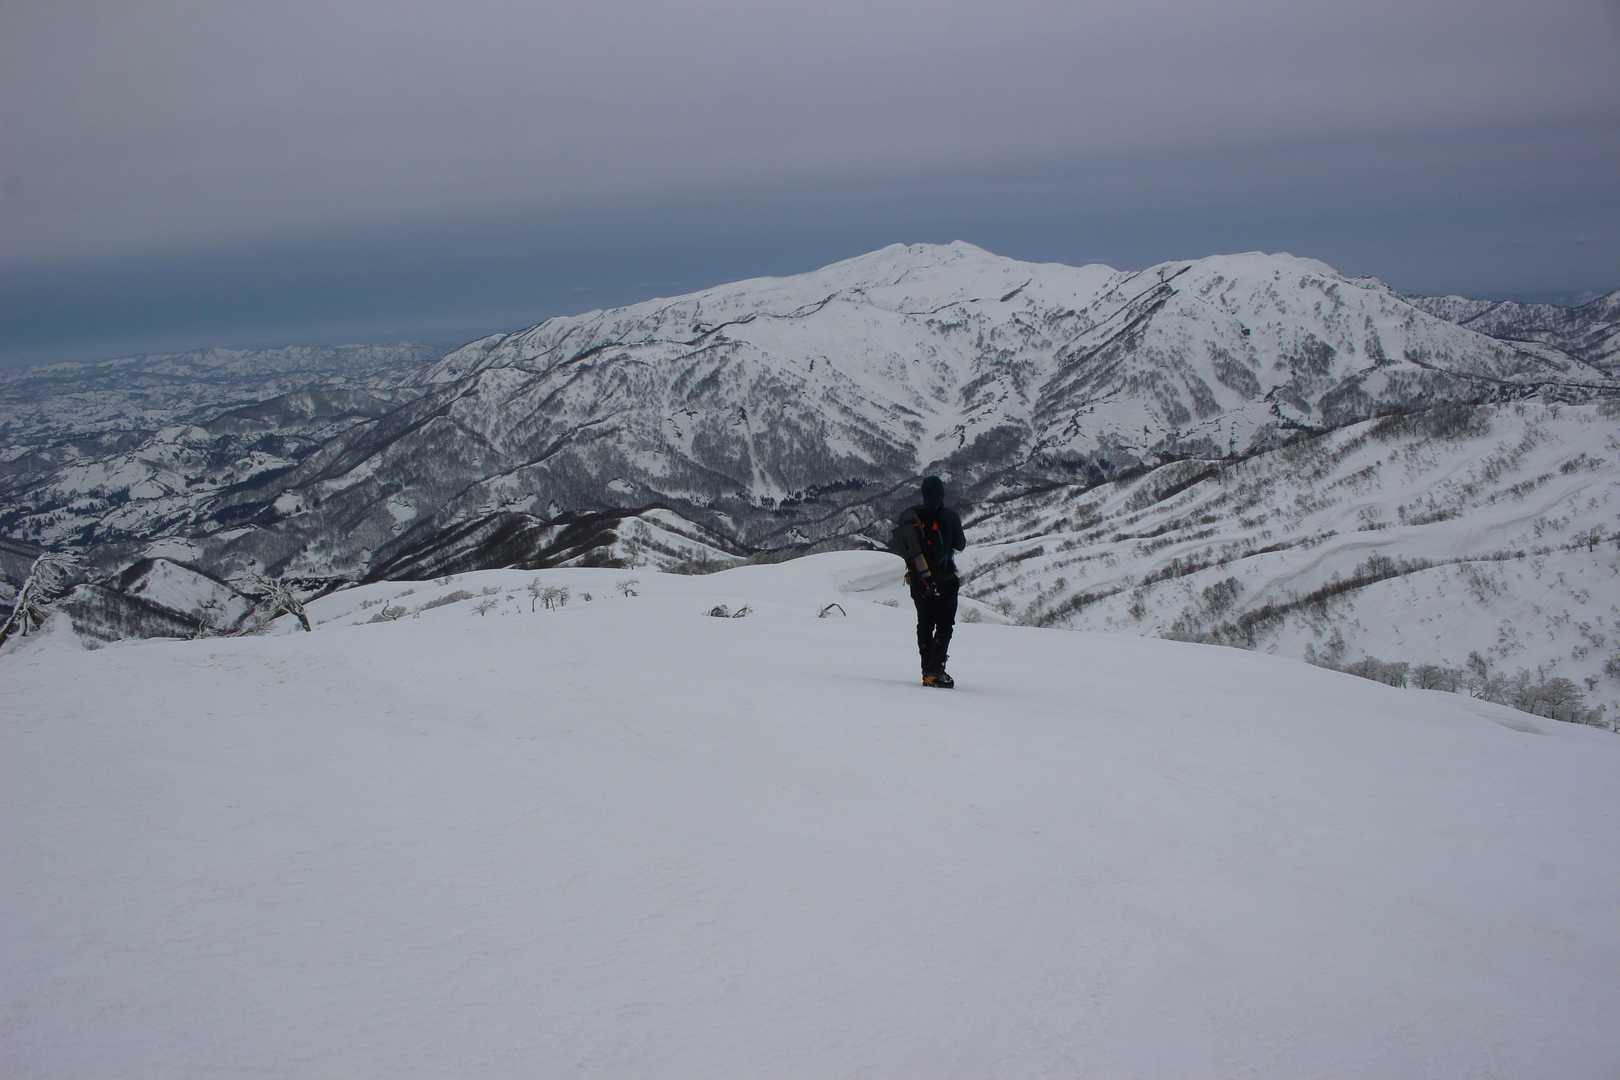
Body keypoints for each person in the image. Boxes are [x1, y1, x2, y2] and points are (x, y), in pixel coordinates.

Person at [891, 475, 967, 688]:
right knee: (944, 626)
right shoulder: (950, 516)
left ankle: (927, 670)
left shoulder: (911, 516)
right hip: (945, 581)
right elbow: (960, 544)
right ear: (942, 494)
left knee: (924, 623)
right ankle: (935, 671)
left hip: (919, 580)